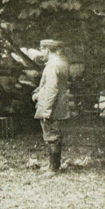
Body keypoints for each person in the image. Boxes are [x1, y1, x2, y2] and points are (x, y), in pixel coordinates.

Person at [32, 39, 71, 177]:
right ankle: (52, 165)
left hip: (51, 105)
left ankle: (53, 169)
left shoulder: (52, 66)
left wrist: (46, 110)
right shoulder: (61, 63)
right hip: (58, 104)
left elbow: (52, 89)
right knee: (52, 135)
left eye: (42, 50)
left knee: (51, 136)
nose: (41, 53)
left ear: (47, 49)